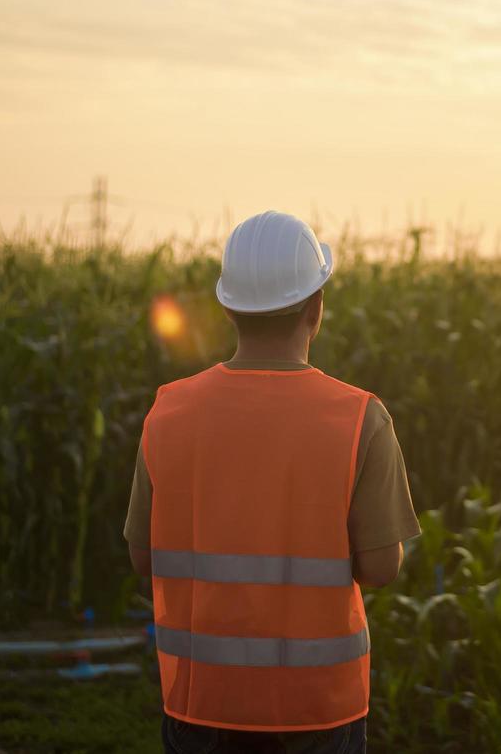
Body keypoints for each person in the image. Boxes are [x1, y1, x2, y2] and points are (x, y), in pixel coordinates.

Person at [124, 210, 421, 753]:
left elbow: (144, 559)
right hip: (318, 709)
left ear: (229, 307)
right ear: (316, 307)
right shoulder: (360, 417)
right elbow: (381, 567)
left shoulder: (168, 412)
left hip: (200, 704)